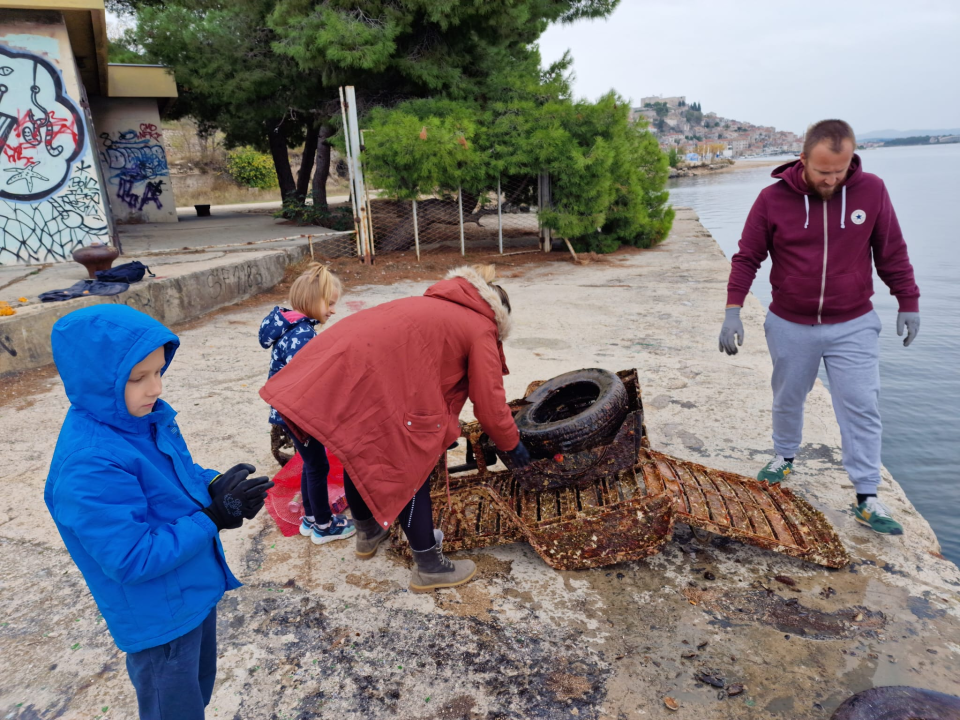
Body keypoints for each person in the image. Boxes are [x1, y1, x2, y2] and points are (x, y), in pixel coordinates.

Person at [44, 305, 273, 719]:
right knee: (173, 710)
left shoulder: (143, 420)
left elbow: (176, 474)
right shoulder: (90, 463)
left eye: (158, 371)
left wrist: (214, 485)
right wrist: (212, 517)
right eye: (138, 378)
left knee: (197, 691)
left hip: (191, 590)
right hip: (159, 618)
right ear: (96, 380)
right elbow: (130, 558)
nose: (156, 388)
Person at [261, 264, 532, 592]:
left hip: (348, 373)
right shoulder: (481, 326)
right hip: (374, 379)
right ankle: (430, 567)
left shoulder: (436, 303)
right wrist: (511, 443)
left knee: (358, 450)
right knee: (408, 467)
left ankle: (367, 533)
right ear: (499, 315)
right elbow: (489, 403)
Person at [719, 119, 920, 536]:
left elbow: (892, 252)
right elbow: (747, 257)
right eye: (823, 171)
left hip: (854, 322)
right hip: (790, 322)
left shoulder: (872, 190)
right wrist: (733, 309)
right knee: (789, 397)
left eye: (840, 171)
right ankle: (784, 457)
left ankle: (867, 497)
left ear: (851, 160)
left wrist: (908, 301)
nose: (831, 179)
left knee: (861, 403)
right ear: (803, 159)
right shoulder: (772, 199)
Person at [260, 263, 356, 544]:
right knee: (317, 467)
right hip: (298, 414)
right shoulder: (302, 334)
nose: (333, 310)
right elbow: (309, 379)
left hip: (288, 412)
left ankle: (311, 518)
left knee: (311, 463)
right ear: (313, 300)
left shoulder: (291, 328)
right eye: (330, 303)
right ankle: (324, 526)